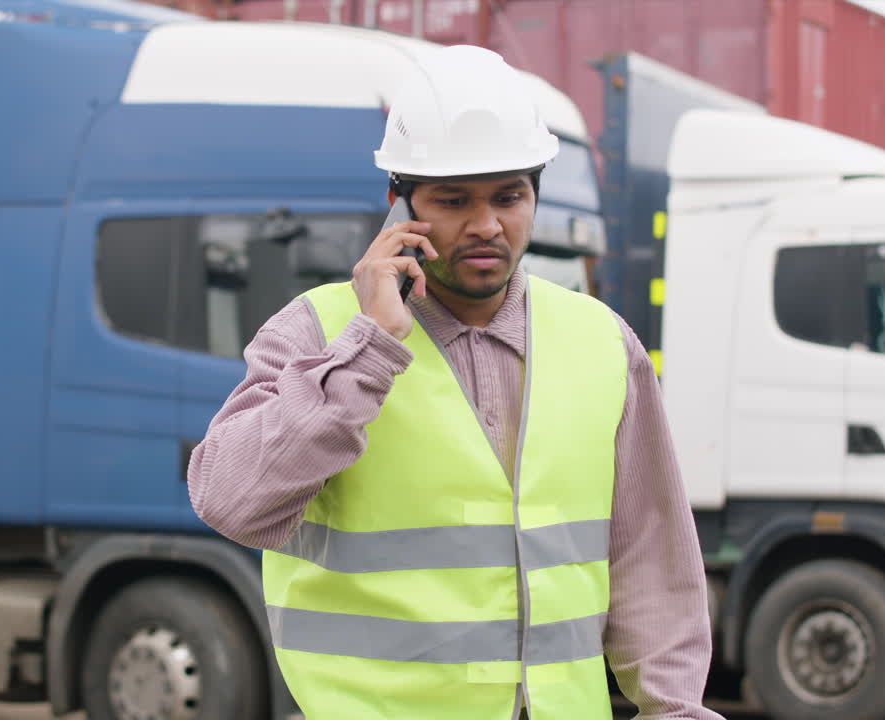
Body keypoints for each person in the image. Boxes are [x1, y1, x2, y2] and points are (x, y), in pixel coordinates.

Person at [187, 45, 721, 719]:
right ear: (398, 204)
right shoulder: (319, 332)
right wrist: (371, 347)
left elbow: (652, 562)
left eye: (509, 196)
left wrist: (676, 710)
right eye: (453, 199)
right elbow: (229, 502)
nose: (486, 225)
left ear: (535, 194)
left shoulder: (603, 343)